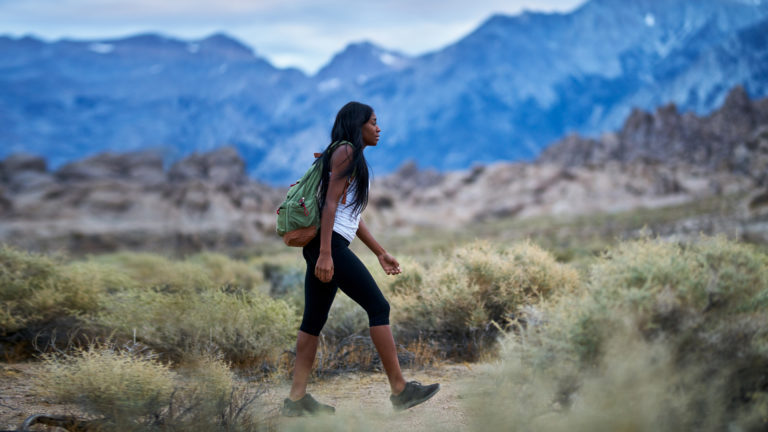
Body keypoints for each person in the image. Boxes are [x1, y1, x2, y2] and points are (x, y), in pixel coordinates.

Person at [282, 101, 440, 416]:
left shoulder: (350, 156)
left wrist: (380, 252)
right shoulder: (345, 153)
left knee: (313, 322)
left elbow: (349, 215)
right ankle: (400, 390)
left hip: (328, 244)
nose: (378, 128)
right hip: (329, 247)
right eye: (373, 122)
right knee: (378, 307)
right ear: (358, 125)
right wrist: (326, 254)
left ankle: (296, 401)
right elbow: (328, 205)